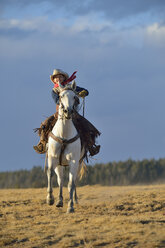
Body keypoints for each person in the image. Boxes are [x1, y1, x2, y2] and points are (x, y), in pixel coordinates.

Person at [33, 69, 100, 161]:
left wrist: (82, 93)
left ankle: (91, 146)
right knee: (45, 125)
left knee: (88, 127)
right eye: (56, 78)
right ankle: (42, 144)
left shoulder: (71, 87)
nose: (58, 79)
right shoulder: (54, 90)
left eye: (60, 77)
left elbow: (86, 91)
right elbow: (57, 100)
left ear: (64, 78)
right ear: (54, 80)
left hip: (73, 113)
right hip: (60, 113)